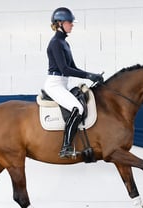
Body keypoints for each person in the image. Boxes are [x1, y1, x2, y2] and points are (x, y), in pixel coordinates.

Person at [44, 7, 103, 158]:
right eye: (70, 22)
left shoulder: (64, 43)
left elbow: (73, 68)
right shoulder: (56, 43)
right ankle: (66, 147)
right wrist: (88, 75)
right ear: (60, 23)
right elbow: (64, 69)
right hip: (54, 84)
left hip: (63, 83)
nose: (72, 25)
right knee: (78, 108)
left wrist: (92, 75)